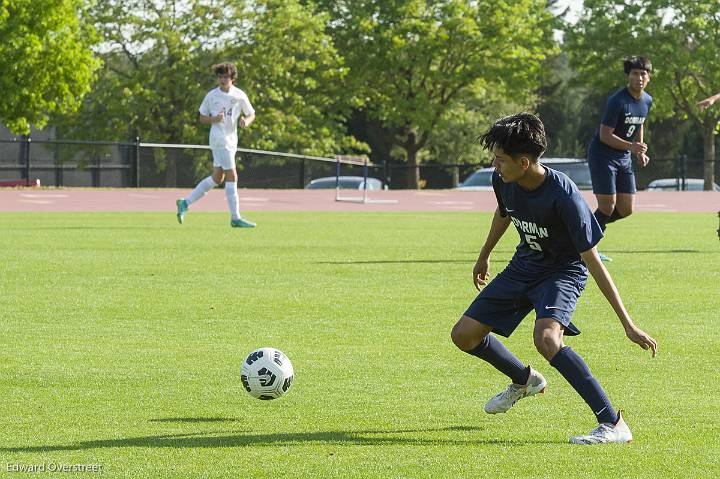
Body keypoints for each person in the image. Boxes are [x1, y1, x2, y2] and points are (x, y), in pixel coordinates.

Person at [450, 113, 657, 444]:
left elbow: (593, 262)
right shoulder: (503, 178)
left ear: (524, 162)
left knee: (546, 338)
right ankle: (525, 380)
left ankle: (613, 423)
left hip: (563, 270)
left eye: (501, 159)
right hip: (524, 265)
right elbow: (505, 211)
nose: (495, 164)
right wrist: (484, 253)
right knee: (464, 336)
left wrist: (627, 324)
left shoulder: (564, 195)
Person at [587, 56, 653, 262]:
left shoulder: (647, 100)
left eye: (643, 74)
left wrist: (639, 150)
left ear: (649, 77)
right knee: (607, 206)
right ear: (628, 76)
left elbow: (639, 123)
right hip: (602, 156)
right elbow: (605, 135)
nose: (639, 78)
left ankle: (583, 232)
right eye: (635, 73)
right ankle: (586, 247)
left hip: (624, 156)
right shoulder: (617, 101)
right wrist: (631, 147)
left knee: (626, 209)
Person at [176, 62, 256, 227]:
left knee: (217, 178)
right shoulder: (212, 96)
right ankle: (235, 218)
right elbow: (202, 117)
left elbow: (251, 113)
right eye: (220, 76)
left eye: (225, 76)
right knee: (232, 175)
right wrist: (214, 119)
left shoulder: (239, 95)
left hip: (232, 140)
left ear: (232, 78)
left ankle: (185, 203)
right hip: (219, 140)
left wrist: (246, 121)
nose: (222, 79)